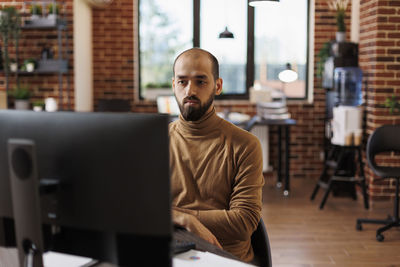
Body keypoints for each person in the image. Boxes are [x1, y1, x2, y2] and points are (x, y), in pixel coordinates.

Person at [169, 47, 264, 262]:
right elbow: (138, 211)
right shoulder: (155, 142)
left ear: (217, 86)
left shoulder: (246, 145)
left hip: (225, 258)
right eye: (182, 81)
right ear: (174, 84)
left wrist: (181, 216)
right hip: (172, 254)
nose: (190, 91)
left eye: (200, 81)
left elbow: (243, 223)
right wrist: (185, 220)